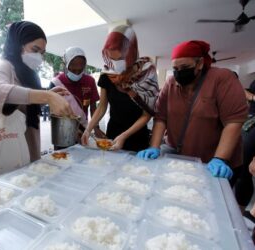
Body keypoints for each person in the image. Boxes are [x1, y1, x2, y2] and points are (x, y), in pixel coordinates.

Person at [137, 40, 248, 181]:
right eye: (175, 68)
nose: (179, 72)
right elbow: (161, 118)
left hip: (212, 161)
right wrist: (154, 146)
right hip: (178, 155)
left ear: (200, 63)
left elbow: (233, 122)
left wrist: (220, 158)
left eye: (184, 67)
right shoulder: (170, 83)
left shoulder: (222, 78)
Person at [0, 21, 73, 162]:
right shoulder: (5, 66)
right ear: (18, 44)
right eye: (35, 50)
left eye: (42, 53)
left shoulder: (30, 73)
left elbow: (26, 106)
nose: (39, 56)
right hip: (10, 146)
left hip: (30, 141)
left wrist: (49, 94)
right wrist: (47, 96)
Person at [81, 25, 159, 151]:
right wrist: (88, 129)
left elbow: (147, 114)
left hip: (137, 138)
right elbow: (102, 107)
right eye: (112, 58)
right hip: (113, 134)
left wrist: (124, 136)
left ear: (132, 52)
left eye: (121, 58)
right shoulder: (107, 74)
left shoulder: (146, 74)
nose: (116, 64)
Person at [49, 46, 104, 136]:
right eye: (73, 70)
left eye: (80, 70)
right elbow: (54, 112)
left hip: (83, 129)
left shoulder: (90, 81)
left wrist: (96, 127)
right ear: (66, 65)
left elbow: (93, 107)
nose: (77, 73)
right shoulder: (56, 83)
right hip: (62, 130)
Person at [234, 80, 255, 212]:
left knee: (245, 172)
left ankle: (240, 212)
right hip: (249, 120)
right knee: (240, 168)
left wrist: (252, 97)